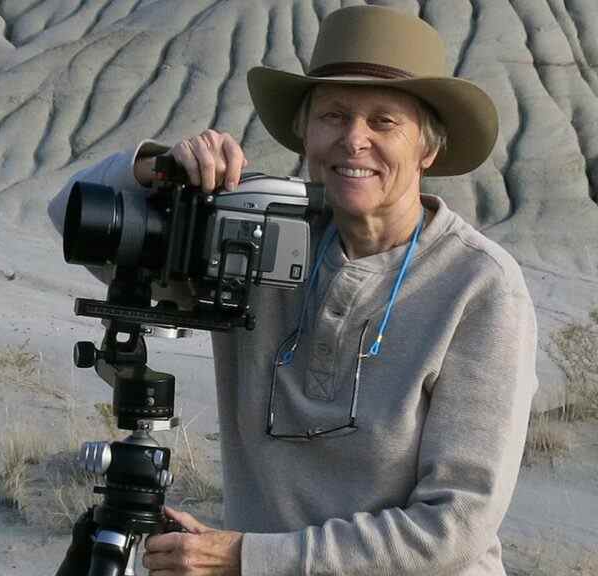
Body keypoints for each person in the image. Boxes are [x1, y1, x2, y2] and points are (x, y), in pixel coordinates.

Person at [49, 6, 538, 576]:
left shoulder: (479, 287)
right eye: (333, 115)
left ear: (427, 149)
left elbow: (453, 527)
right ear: (306, 134)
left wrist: (247, 557)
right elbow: (69, 216)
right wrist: (156, 170)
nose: (354, 140)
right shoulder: (251, 239)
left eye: (384, 122)